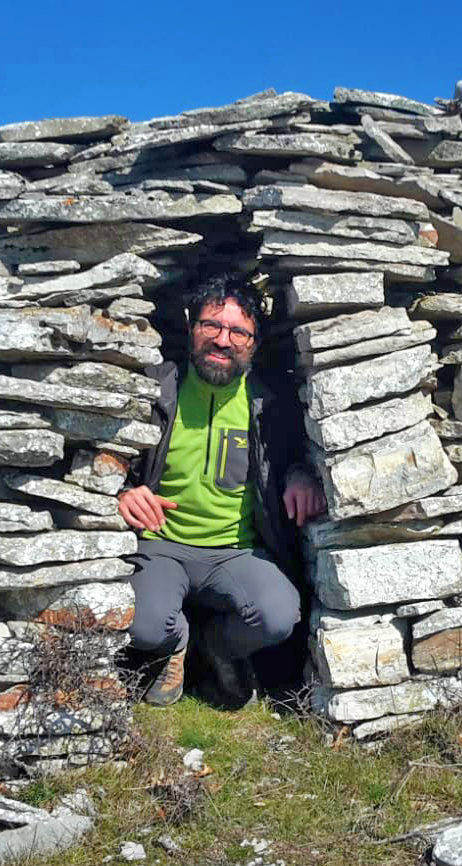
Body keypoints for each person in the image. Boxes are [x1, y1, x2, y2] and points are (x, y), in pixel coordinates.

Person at [117, 273, 326, 706]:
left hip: (235, 551)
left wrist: (302, 476)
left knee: (278, 616)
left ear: (254, 342)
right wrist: (124, 492)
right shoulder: (157, 388)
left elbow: (296, 457)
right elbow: (106, 459)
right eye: (212, 325)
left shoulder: (268, 403)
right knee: (144, 625)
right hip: (161, 546)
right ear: (192, 326)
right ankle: (175, 643)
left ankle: (216, 648)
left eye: (238, 331)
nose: (222, 340)